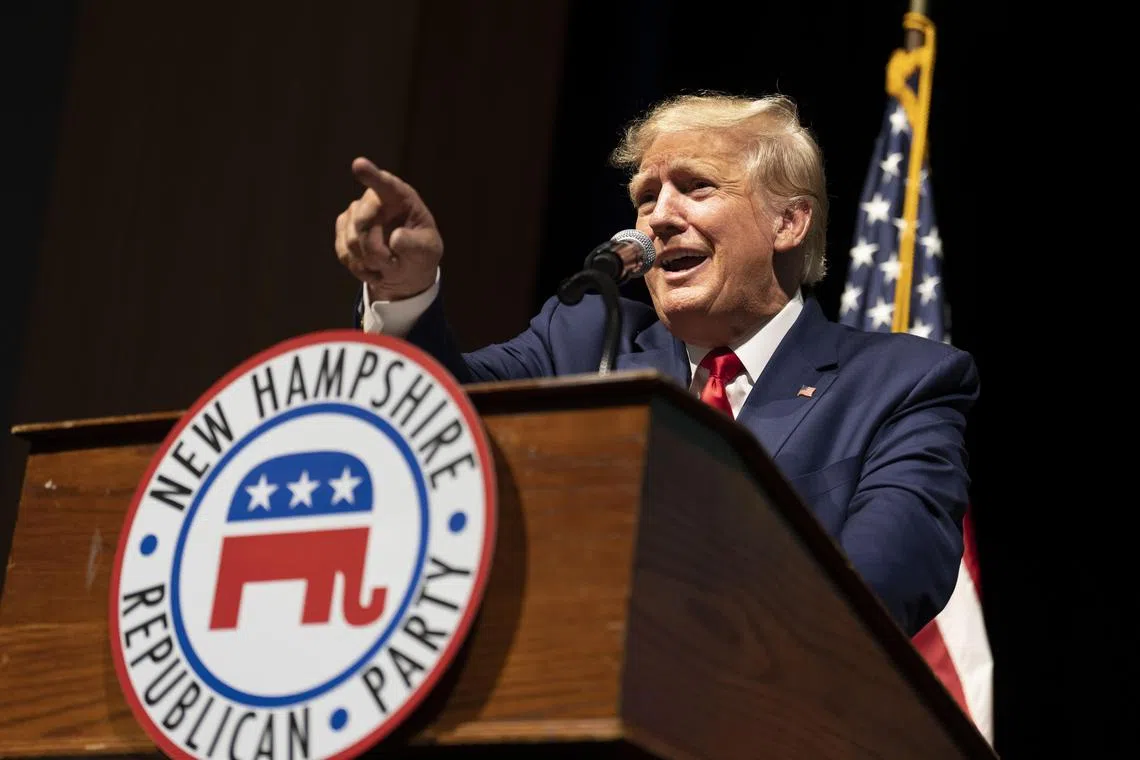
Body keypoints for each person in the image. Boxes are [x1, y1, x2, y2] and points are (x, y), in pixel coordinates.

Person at [333, 92, 978, 637]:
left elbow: (887, 578)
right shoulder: (586, 339)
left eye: (697, 187)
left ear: (788, 222)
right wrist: (406, 293)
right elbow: (447, 414)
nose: (660, 218)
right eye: (646, 197)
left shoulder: (900, 384)